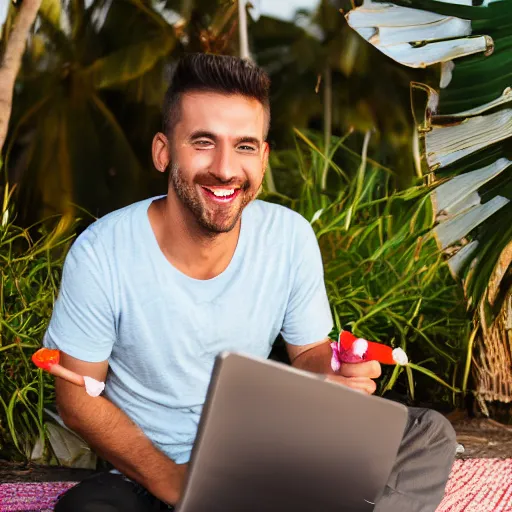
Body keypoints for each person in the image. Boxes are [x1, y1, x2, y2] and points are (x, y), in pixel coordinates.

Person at [45, 53, 456, 512]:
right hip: (151, 475)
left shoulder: (289, 236)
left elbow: (309, 353)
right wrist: (172, 482)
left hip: (265, 455)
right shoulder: (102, 252)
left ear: (262, 157)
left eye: (244, 146)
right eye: (203, 142)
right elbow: (76, 397)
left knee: (427, 434)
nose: (224, 168)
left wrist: (333, 377)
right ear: (164, 151)